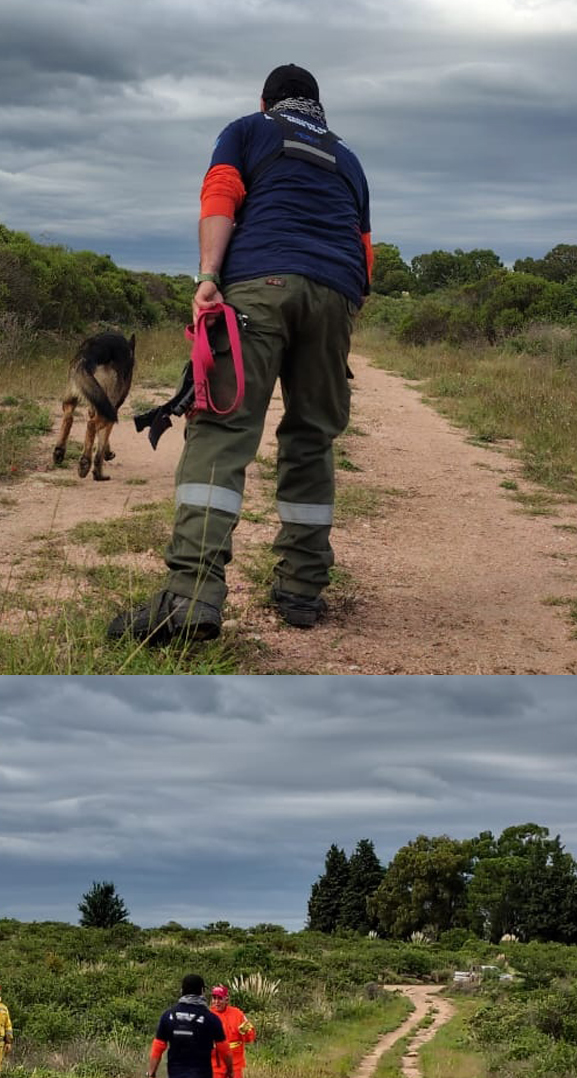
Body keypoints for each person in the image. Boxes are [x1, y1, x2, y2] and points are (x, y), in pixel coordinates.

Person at [108, 64, 373, 644]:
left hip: (259, 284)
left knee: (223, 431)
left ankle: (190, 597)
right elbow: (363, 249)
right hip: (336, 295)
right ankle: (302, 589)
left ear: (266, 101)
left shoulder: (249, 130)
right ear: (317, 106)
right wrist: (339, 314)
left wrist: (207, 275)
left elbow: (221, 194)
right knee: (311, 437)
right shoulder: (349, 159)